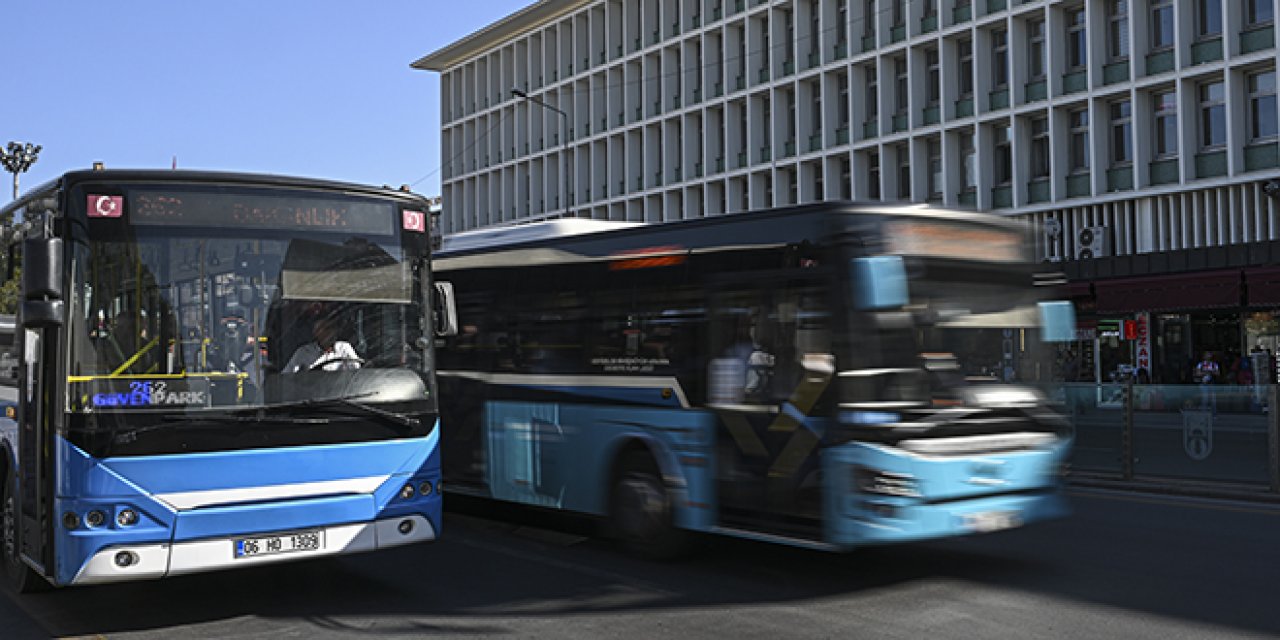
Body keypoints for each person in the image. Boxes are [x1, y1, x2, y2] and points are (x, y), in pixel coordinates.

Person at [283, 316, 362, 373]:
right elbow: (287, 378)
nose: (330, 332)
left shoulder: (344, 348)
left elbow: (357, 373)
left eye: (332, 328)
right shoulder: (303, 352)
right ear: (316, 332)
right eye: (325, 329)